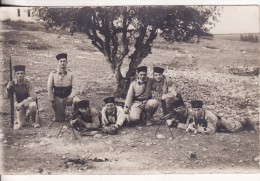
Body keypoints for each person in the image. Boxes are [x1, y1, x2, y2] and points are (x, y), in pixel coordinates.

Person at [186, 100, 256, 134]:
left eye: (198, 110)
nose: (196, 112)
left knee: (232, 128)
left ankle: (245, 121)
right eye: (194, 110)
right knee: (225, 131)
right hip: (211, 124)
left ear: (202, 108)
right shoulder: (192, 113)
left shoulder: (209, 115)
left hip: (220, 122)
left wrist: (198, 129)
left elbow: (211, 130)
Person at [47, 53, 80, 122]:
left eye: (64, 61)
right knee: (60, 120)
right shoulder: (53, 73)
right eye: (61, 61)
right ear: (58, 63)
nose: (62, 63)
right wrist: (52, 100)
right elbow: (49, 88)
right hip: (58, 97)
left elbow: (75, 88)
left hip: (69, 95)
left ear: (67, 62)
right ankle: (66, 114)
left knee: (77, 101)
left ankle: (76, 115)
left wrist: (70, 97)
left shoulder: (71, 73)